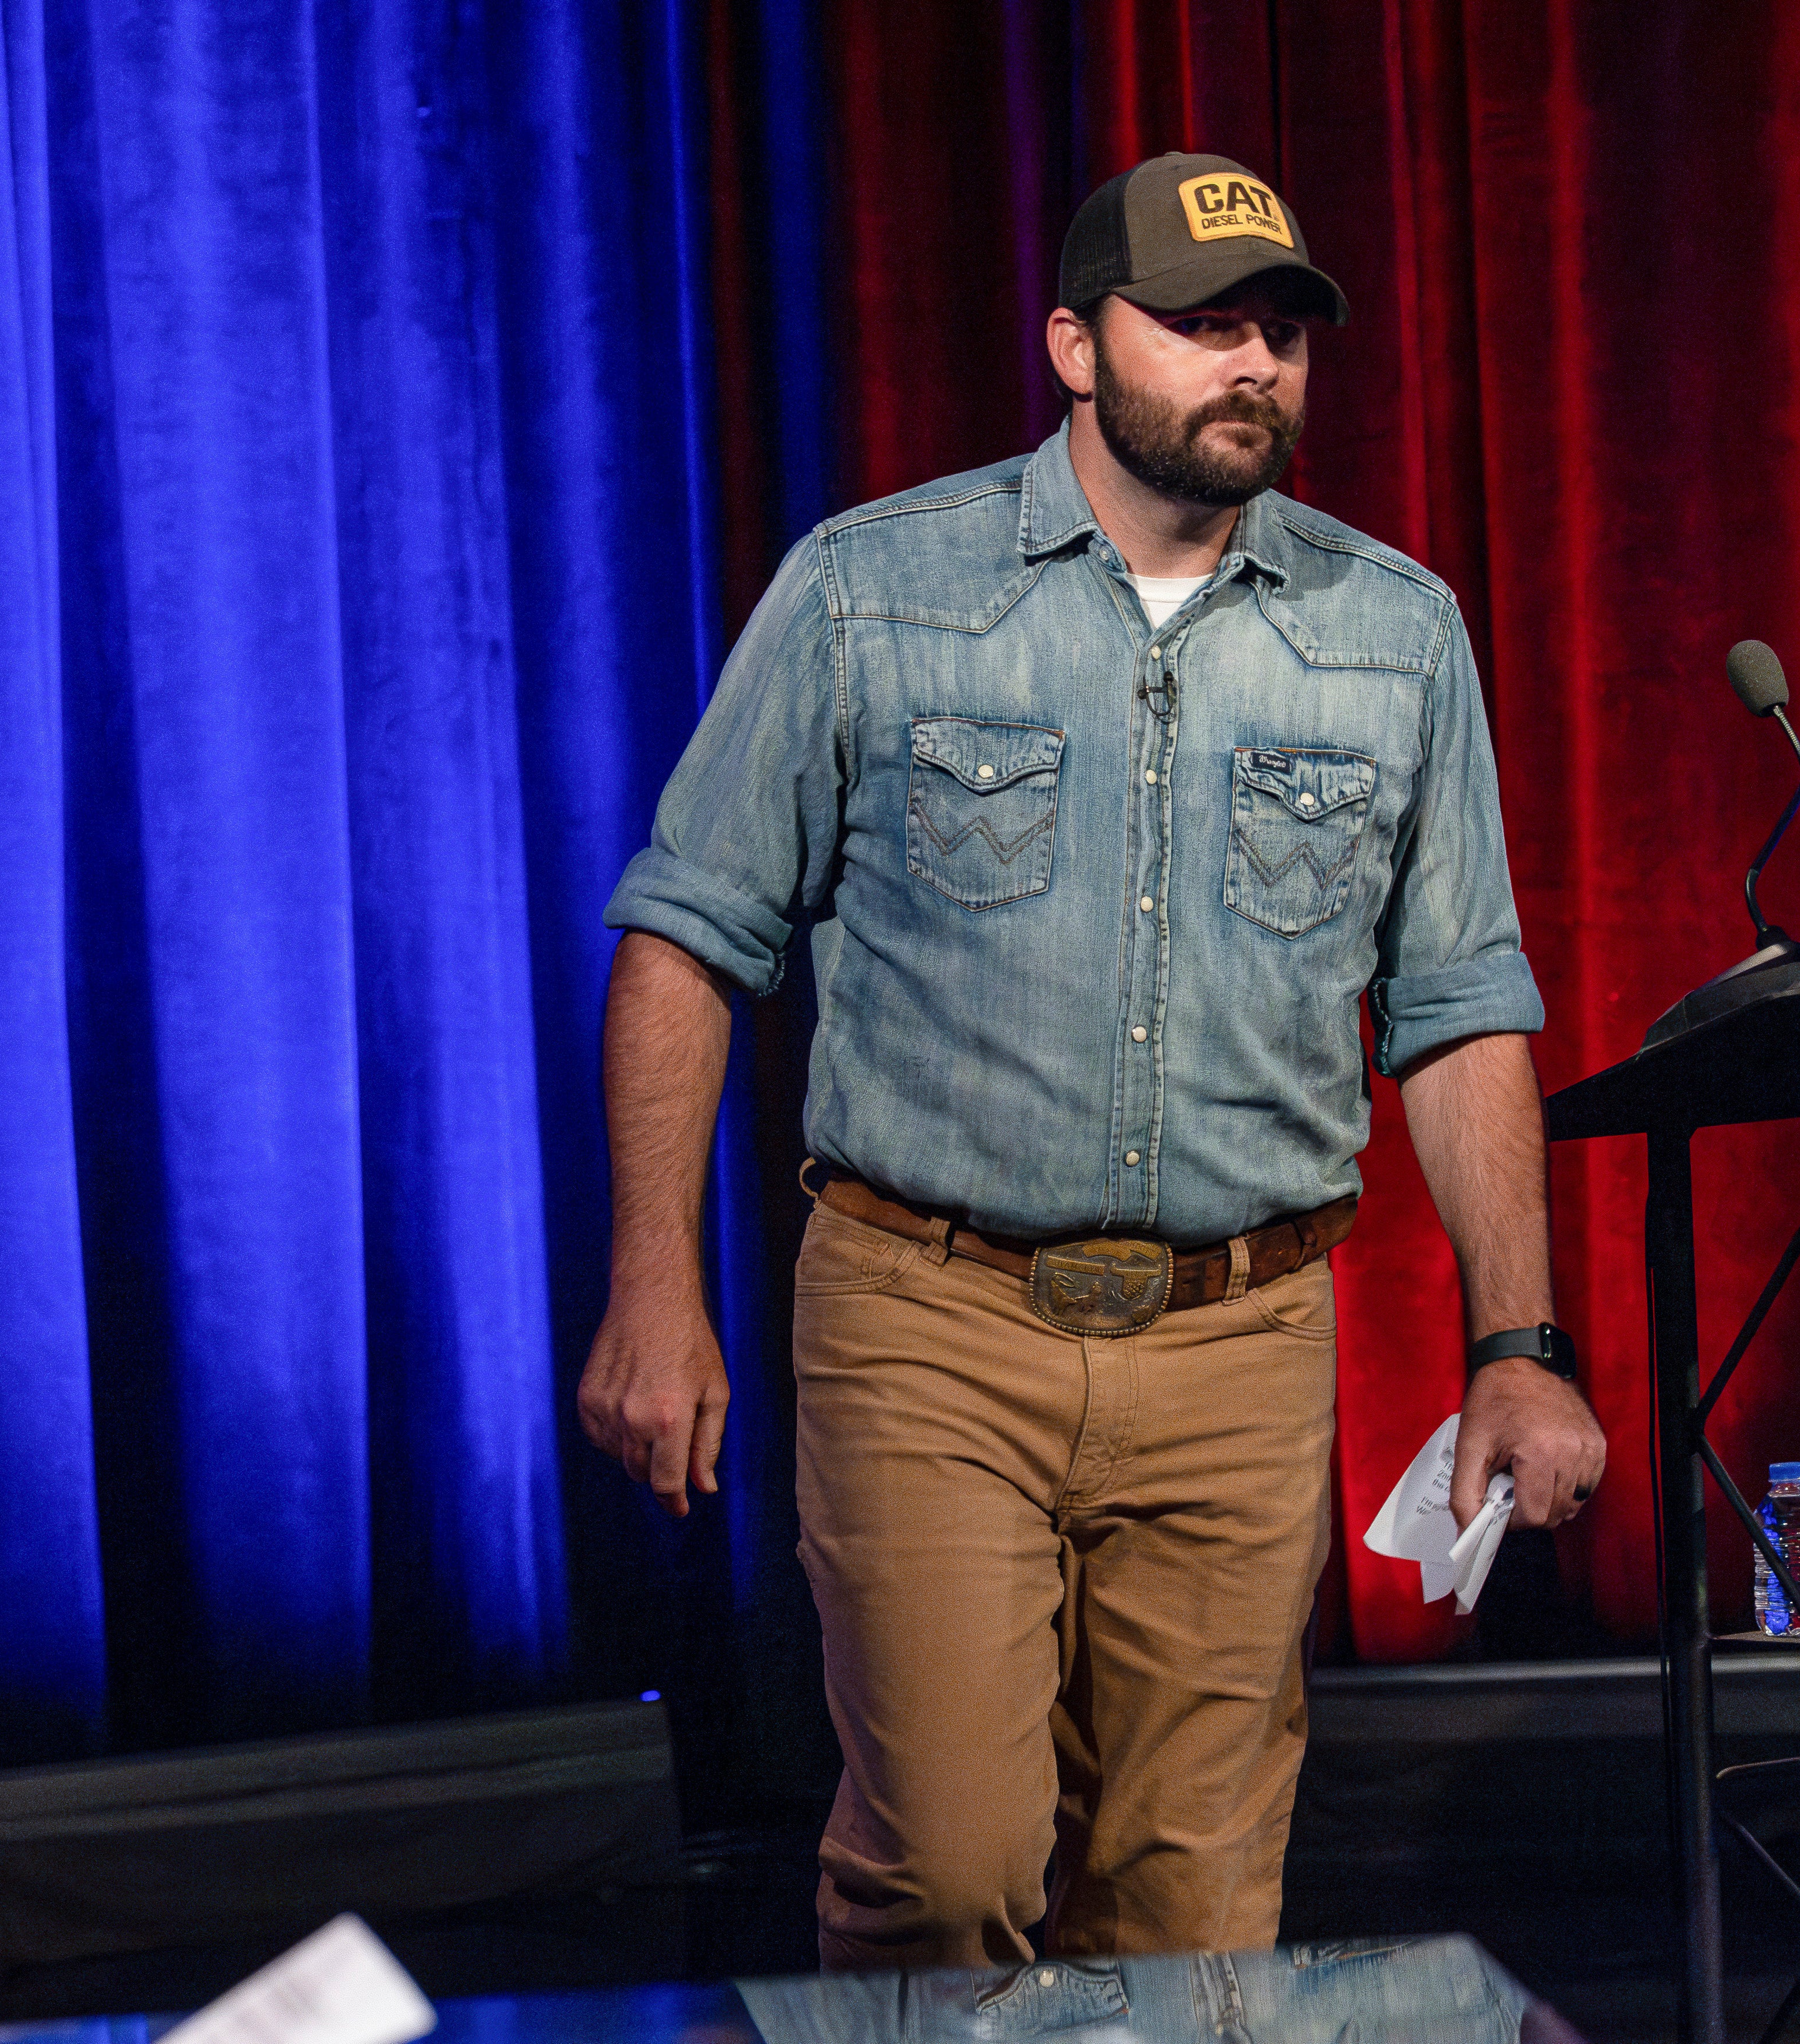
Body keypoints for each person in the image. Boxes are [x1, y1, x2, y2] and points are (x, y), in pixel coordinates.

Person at [581, 152, 1606, 1968]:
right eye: (1203, 325)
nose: (1254, 366)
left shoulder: (1390, 629)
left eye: (1281, 331)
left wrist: (1514, 1349)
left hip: (1241, 1343)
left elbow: (1456, 1010)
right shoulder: (871, 592)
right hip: (929, 1320)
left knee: (1193, 1912)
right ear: (1071, 342)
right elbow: (689, 935)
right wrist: (653, 1281)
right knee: (952, 1873)